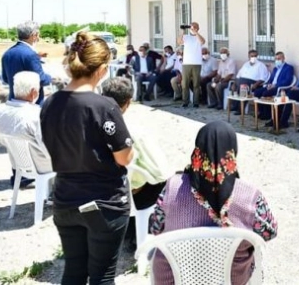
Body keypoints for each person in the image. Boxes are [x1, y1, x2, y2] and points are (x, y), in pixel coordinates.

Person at [40, 31, 135, 285]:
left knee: (73, 271)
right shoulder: (104, 106)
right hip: (104, 202)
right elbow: (124, 157)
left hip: (65, 198)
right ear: (102, 69)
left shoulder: (50, 103)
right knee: (102, 275)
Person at [148, 121, 278, 284]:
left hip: (173, 279)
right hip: (232, 280)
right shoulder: (250, 195)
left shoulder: (172, 187)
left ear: (198, 150)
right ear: (232, 152)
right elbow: (269, 232)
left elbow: (155, 227)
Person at [100, 77, 174, 247]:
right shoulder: (134, 131)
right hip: (130, 193)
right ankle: (143, 229)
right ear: (128, 102)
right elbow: (159, 172)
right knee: (166, 182)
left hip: (101, 190)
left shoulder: (90, 125)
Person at [0, 71, 52, 188]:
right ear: (34, 92)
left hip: (18, 165)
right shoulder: (37, 115)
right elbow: (48, 149)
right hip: (43, 166)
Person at [1, 21, 53, 105]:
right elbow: (41, 79)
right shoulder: (31, 55)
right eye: (38, 35)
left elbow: (5, 79)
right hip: (31, 103)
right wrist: (51, 78)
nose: (38, 38)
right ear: (33, 35)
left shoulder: (7, 53)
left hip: (13, 101)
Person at [254, 51, 295, 120]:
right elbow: (271, 79)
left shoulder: (289, 68)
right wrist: (269, 84)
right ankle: (262, 112)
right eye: (276, 59)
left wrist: (275, 85)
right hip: (271, 86)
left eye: (279, 59)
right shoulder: (275, 68)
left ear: (283, 58)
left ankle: (268, 114)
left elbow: (287, 81)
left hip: (279, 88)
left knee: (265, 93)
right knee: (257, 92)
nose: (277, 60)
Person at [231, 50, 270, 114]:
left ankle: (239, 108)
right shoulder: (246, 64)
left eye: (255, 56)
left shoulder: (261, 65)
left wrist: (256, 84)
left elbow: (263, 78)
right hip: (242, 82)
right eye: (252, 56)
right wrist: (234, 83)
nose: (253, 57)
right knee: (237, 83)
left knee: (242, 84)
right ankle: (235, 105)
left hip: (254, 83)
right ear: (248, 56)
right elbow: (238, 75)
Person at [178, 22, 206, 108]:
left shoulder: (199, 37)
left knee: (196, 84)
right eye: (191, 26)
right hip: (186, 63)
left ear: (198, 28)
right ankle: (185, 101)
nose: (192, 28)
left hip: (197, 63)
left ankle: (196, 102)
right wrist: (183, 31)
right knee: (185, 84)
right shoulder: (186, 37)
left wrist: (196, 32)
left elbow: (202, 41)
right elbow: (179, 42)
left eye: (195, 26)